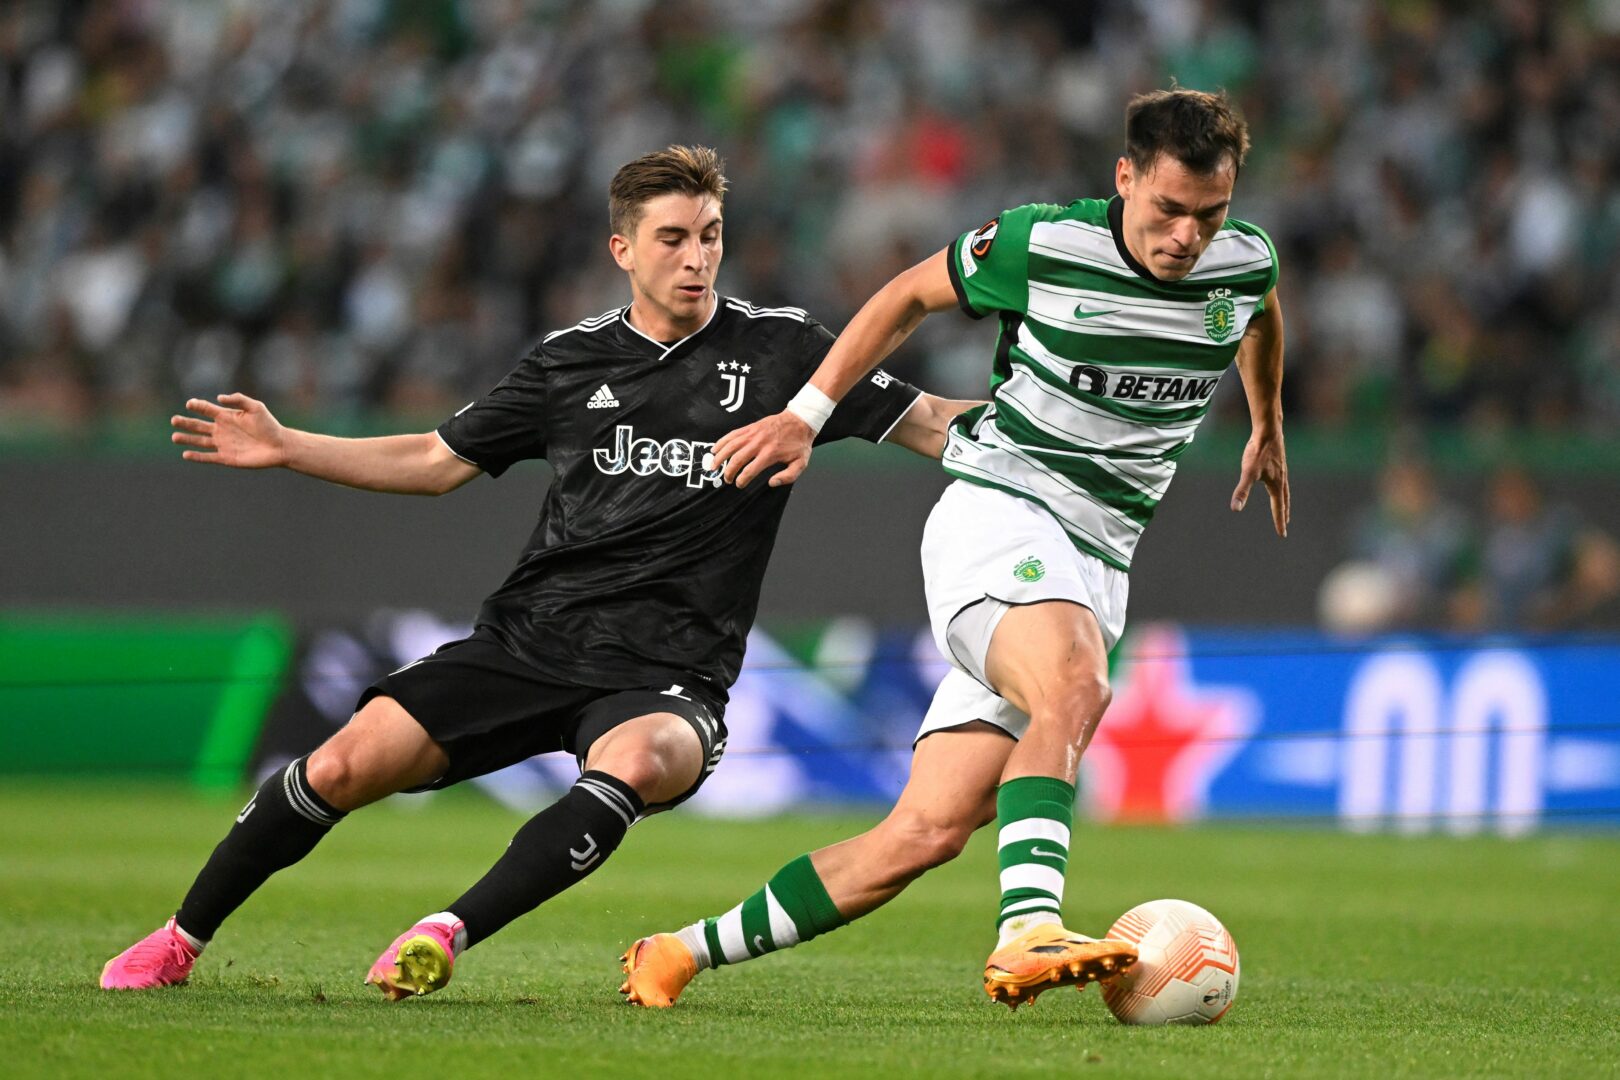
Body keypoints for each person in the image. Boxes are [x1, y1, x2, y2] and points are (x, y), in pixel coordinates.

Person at [99, 145, 975, 997]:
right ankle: (179, 939)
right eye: (672, 238)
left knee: (636, 761)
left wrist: (1074, 417)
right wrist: (291, 446)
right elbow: (437, 461)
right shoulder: (569, 362)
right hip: (525, 645)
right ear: (622, 250)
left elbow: (933, 422)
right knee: (338, 766)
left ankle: (445, 932)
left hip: (669, 673)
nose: (697, 256)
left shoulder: (785, 353)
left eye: (709, 234)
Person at [621, 90, 1289, 1009]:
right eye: (1167, 210)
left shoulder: (1243, 262)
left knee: (925, 832)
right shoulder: (1041, 245)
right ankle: (1028, 930)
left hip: (1100, 561)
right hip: (1001, 511)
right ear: (1125, 178)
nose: (1185, 237)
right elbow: (905, 295)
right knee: (1076, 685)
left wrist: (1268, 415)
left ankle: (679, 952)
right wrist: (806, 416)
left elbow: (1259, 311)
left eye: (1208, 216)